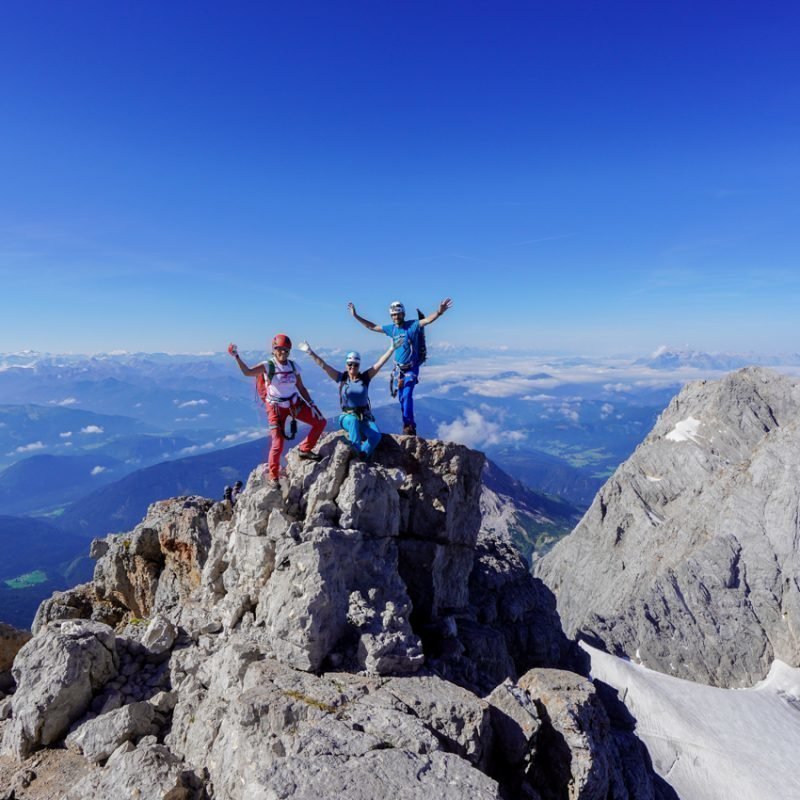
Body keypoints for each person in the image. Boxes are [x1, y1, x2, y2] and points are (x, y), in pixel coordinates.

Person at [228, 335, 326, 485]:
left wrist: (312, 404)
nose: (283, 352)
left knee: (320, 422)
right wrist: (236, 357)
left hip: (294, 404)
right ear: (273, 350)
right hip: (275, 407)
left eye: (286, 350)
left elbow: (300, 387)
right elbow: (247, 372)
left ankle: (304, 450)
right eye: (279, 349)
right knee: (278, 442)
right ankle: (273, 476)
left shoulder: (293, 367)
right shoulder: (268, 366)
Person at [347, 298, 453, 435]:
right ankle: (407, 424)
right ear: (391, 316)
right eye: (393, 315)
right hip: (398, 371)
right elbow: (371, 327)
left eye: (398, 314)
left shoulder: (413, 326)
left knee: (407, 395)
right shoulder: (391, 329)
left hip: (411, 369)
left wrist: (439, 312)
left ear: (403, 314)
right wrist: (355, 316)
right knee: (402, 398)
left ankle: (409, 426)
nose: (396, 317)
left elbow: (427, 320)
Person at [298, 338, 400, 459]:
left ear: (359, 365)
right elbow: (324, 366)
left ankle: (363, 455)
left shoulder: (365, 378)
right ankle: (355, 450)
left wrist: (391, 349)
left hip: (364, 417)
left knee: (376, 436)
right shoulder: (341, 378)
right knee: (353, 420)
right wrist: (310, 352)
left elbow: (379, 363)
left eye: (355, 364)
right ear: (346, 365)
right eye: (350, 364)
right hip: (346, 417)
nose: (352, 367)